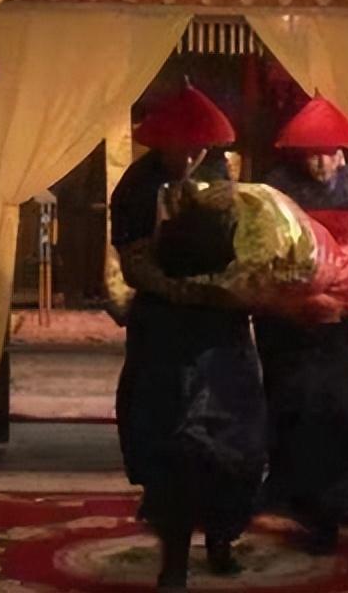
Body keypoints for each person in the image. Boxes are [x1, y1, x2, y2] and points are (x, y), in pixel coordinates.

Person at [111, 81, 267, 591]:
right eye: (185, 146)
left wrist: (235, 287)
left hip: (221, 330)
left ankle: (222, 539)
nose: (194, 155)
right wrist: (184, 290)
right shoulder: (135, 187)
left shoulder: (222, 176)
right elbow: (134, 263)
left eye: (202, 147)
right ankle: (173, 557)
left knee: (234, 443)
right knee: (170, 442)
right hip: (164, 329)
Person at [255, 94, 348, 554]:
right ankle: (304, 503)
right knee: (293, 410)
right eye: (312, 154)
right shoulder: (276, 190)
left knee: (339, 411)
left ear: (342, 154)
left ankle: (341, 501)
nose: (321, 163)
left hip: (336, 321)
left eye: (329, 153)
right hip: (289, 321)